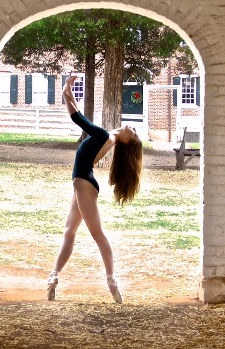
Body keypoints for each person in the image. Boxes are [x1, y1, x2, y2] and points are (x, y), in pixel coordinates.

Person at [46, 75, 144, 303]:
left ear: (127, 140)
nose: (134, 129)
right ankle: (53, 277)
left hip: (85, 185)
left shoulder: (105, 136)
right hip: (82, 183)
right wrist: (67, 92)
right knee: (69, 232)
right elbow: (80, 116)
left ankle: (112, 282)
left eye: (135, 133)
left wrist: (67, 94)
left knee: (97, 234)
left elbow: (77, 118)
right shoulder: (106, 136)